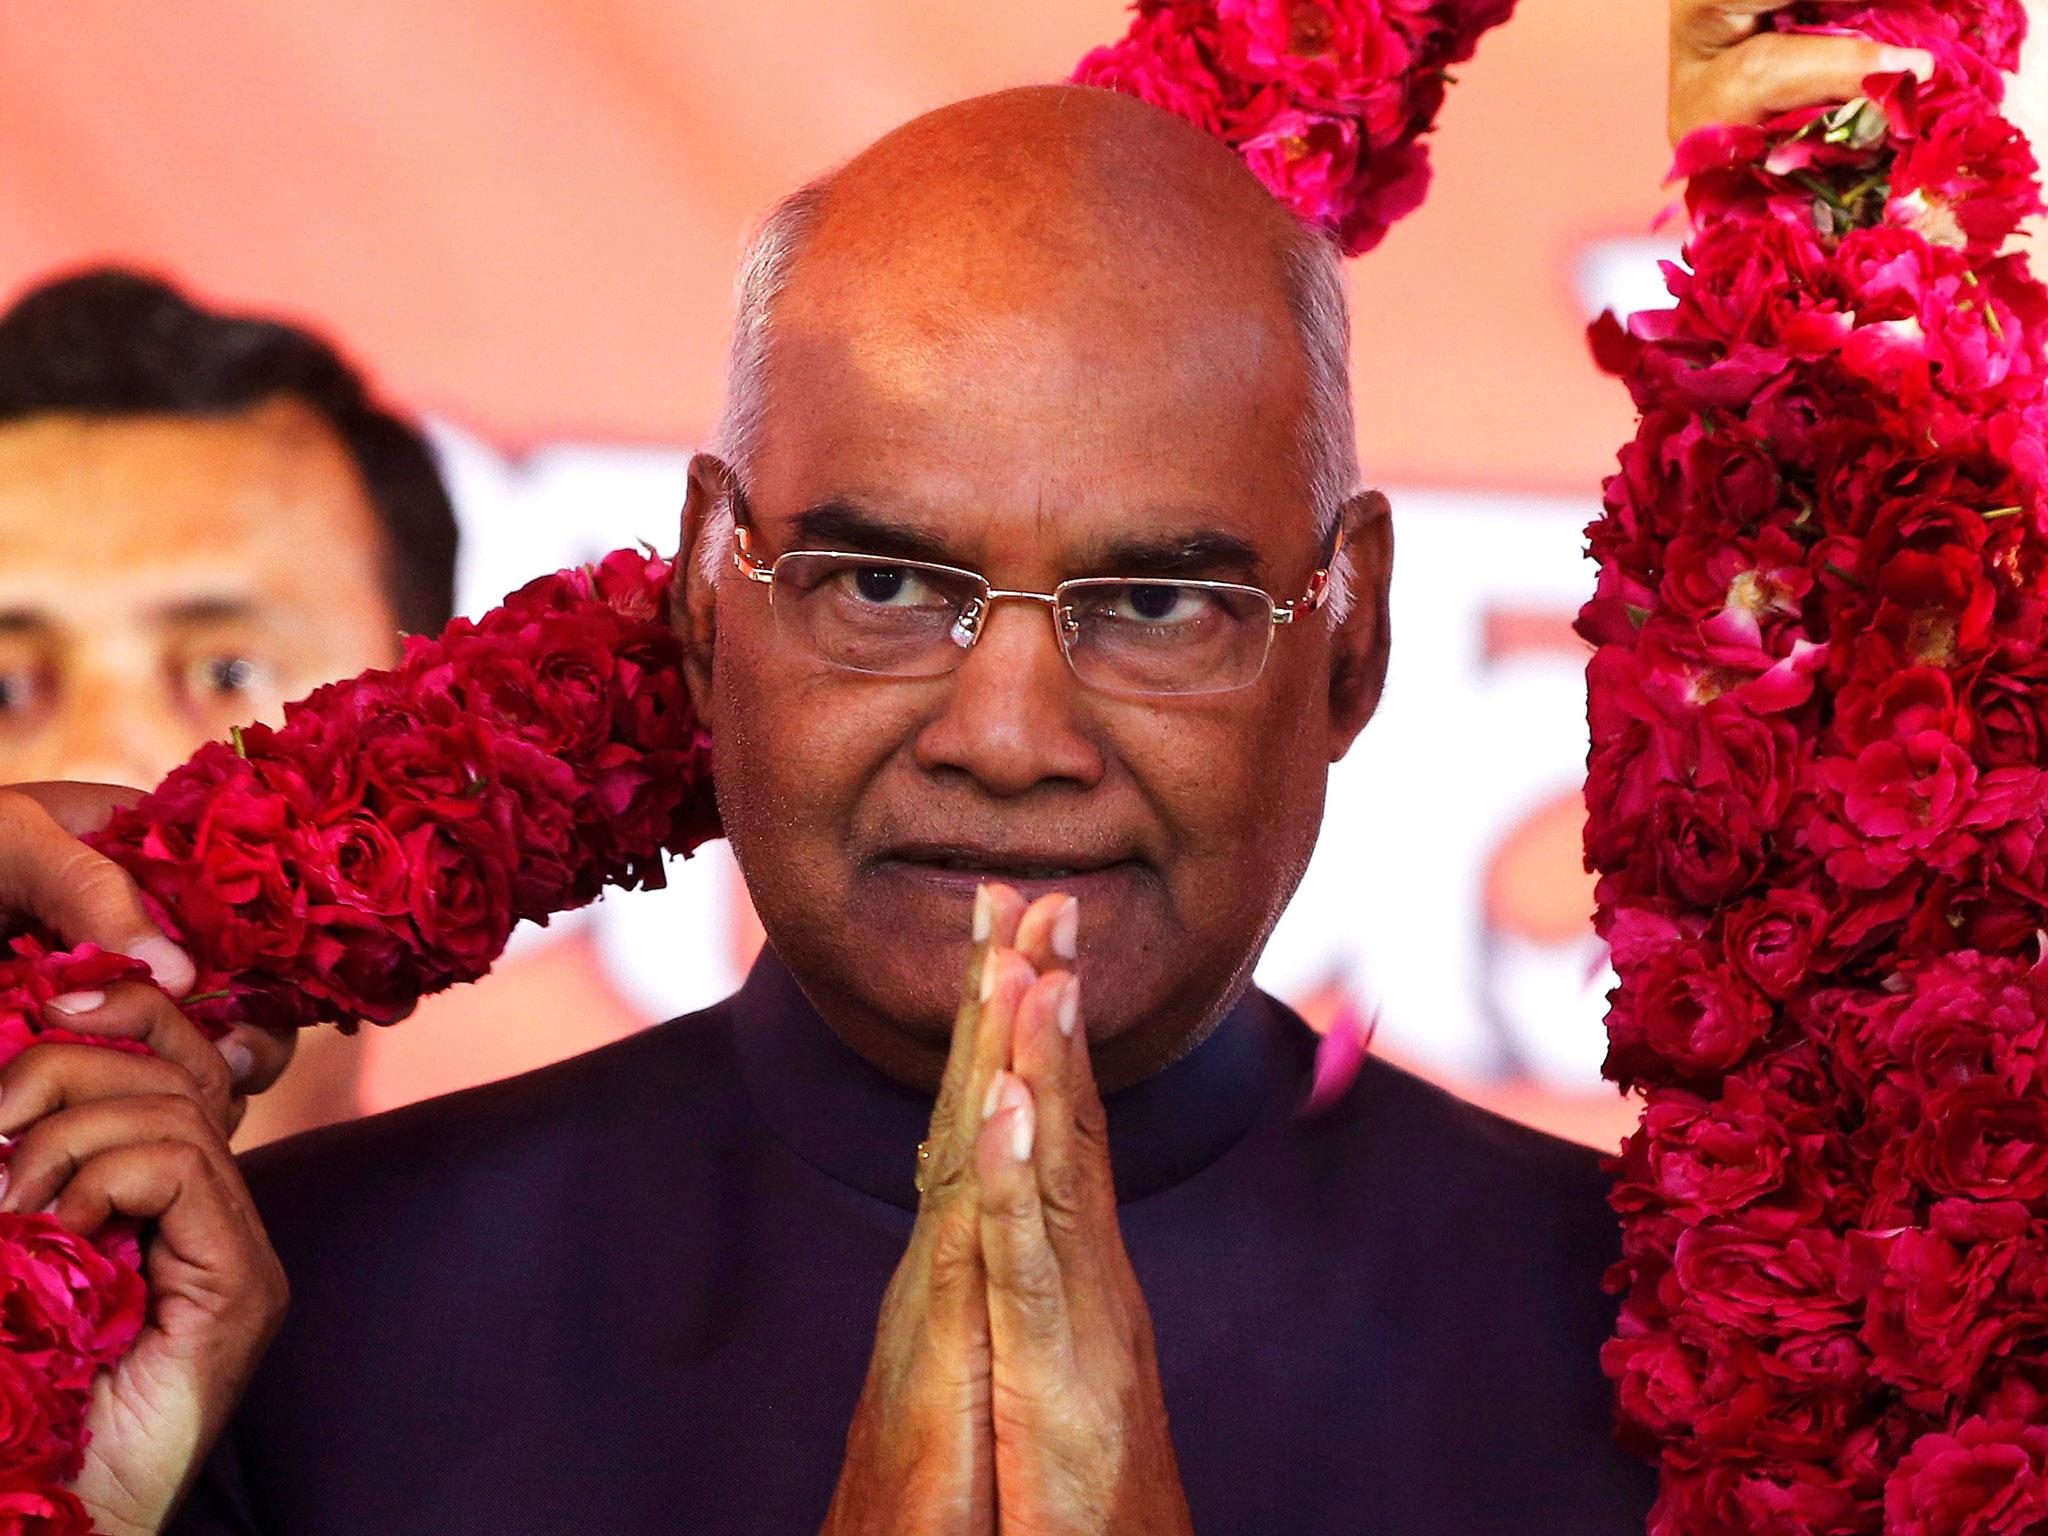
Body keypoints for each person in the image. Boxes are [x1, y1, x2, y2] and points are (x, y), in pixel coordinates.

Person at [0, 5, 2033, 1531]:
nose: (1006, 735)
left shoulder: (1683, 1391)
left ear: (1353, 639)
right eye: (887, 581)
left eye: (1157, 605)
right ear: (711, 592)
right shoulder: (292, 1331)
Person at [0, 268, 459, 1146]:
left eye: (225, 675)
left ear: (437, 759)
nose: (99, 766)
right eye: (4, 687)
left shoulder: (618, 1275)